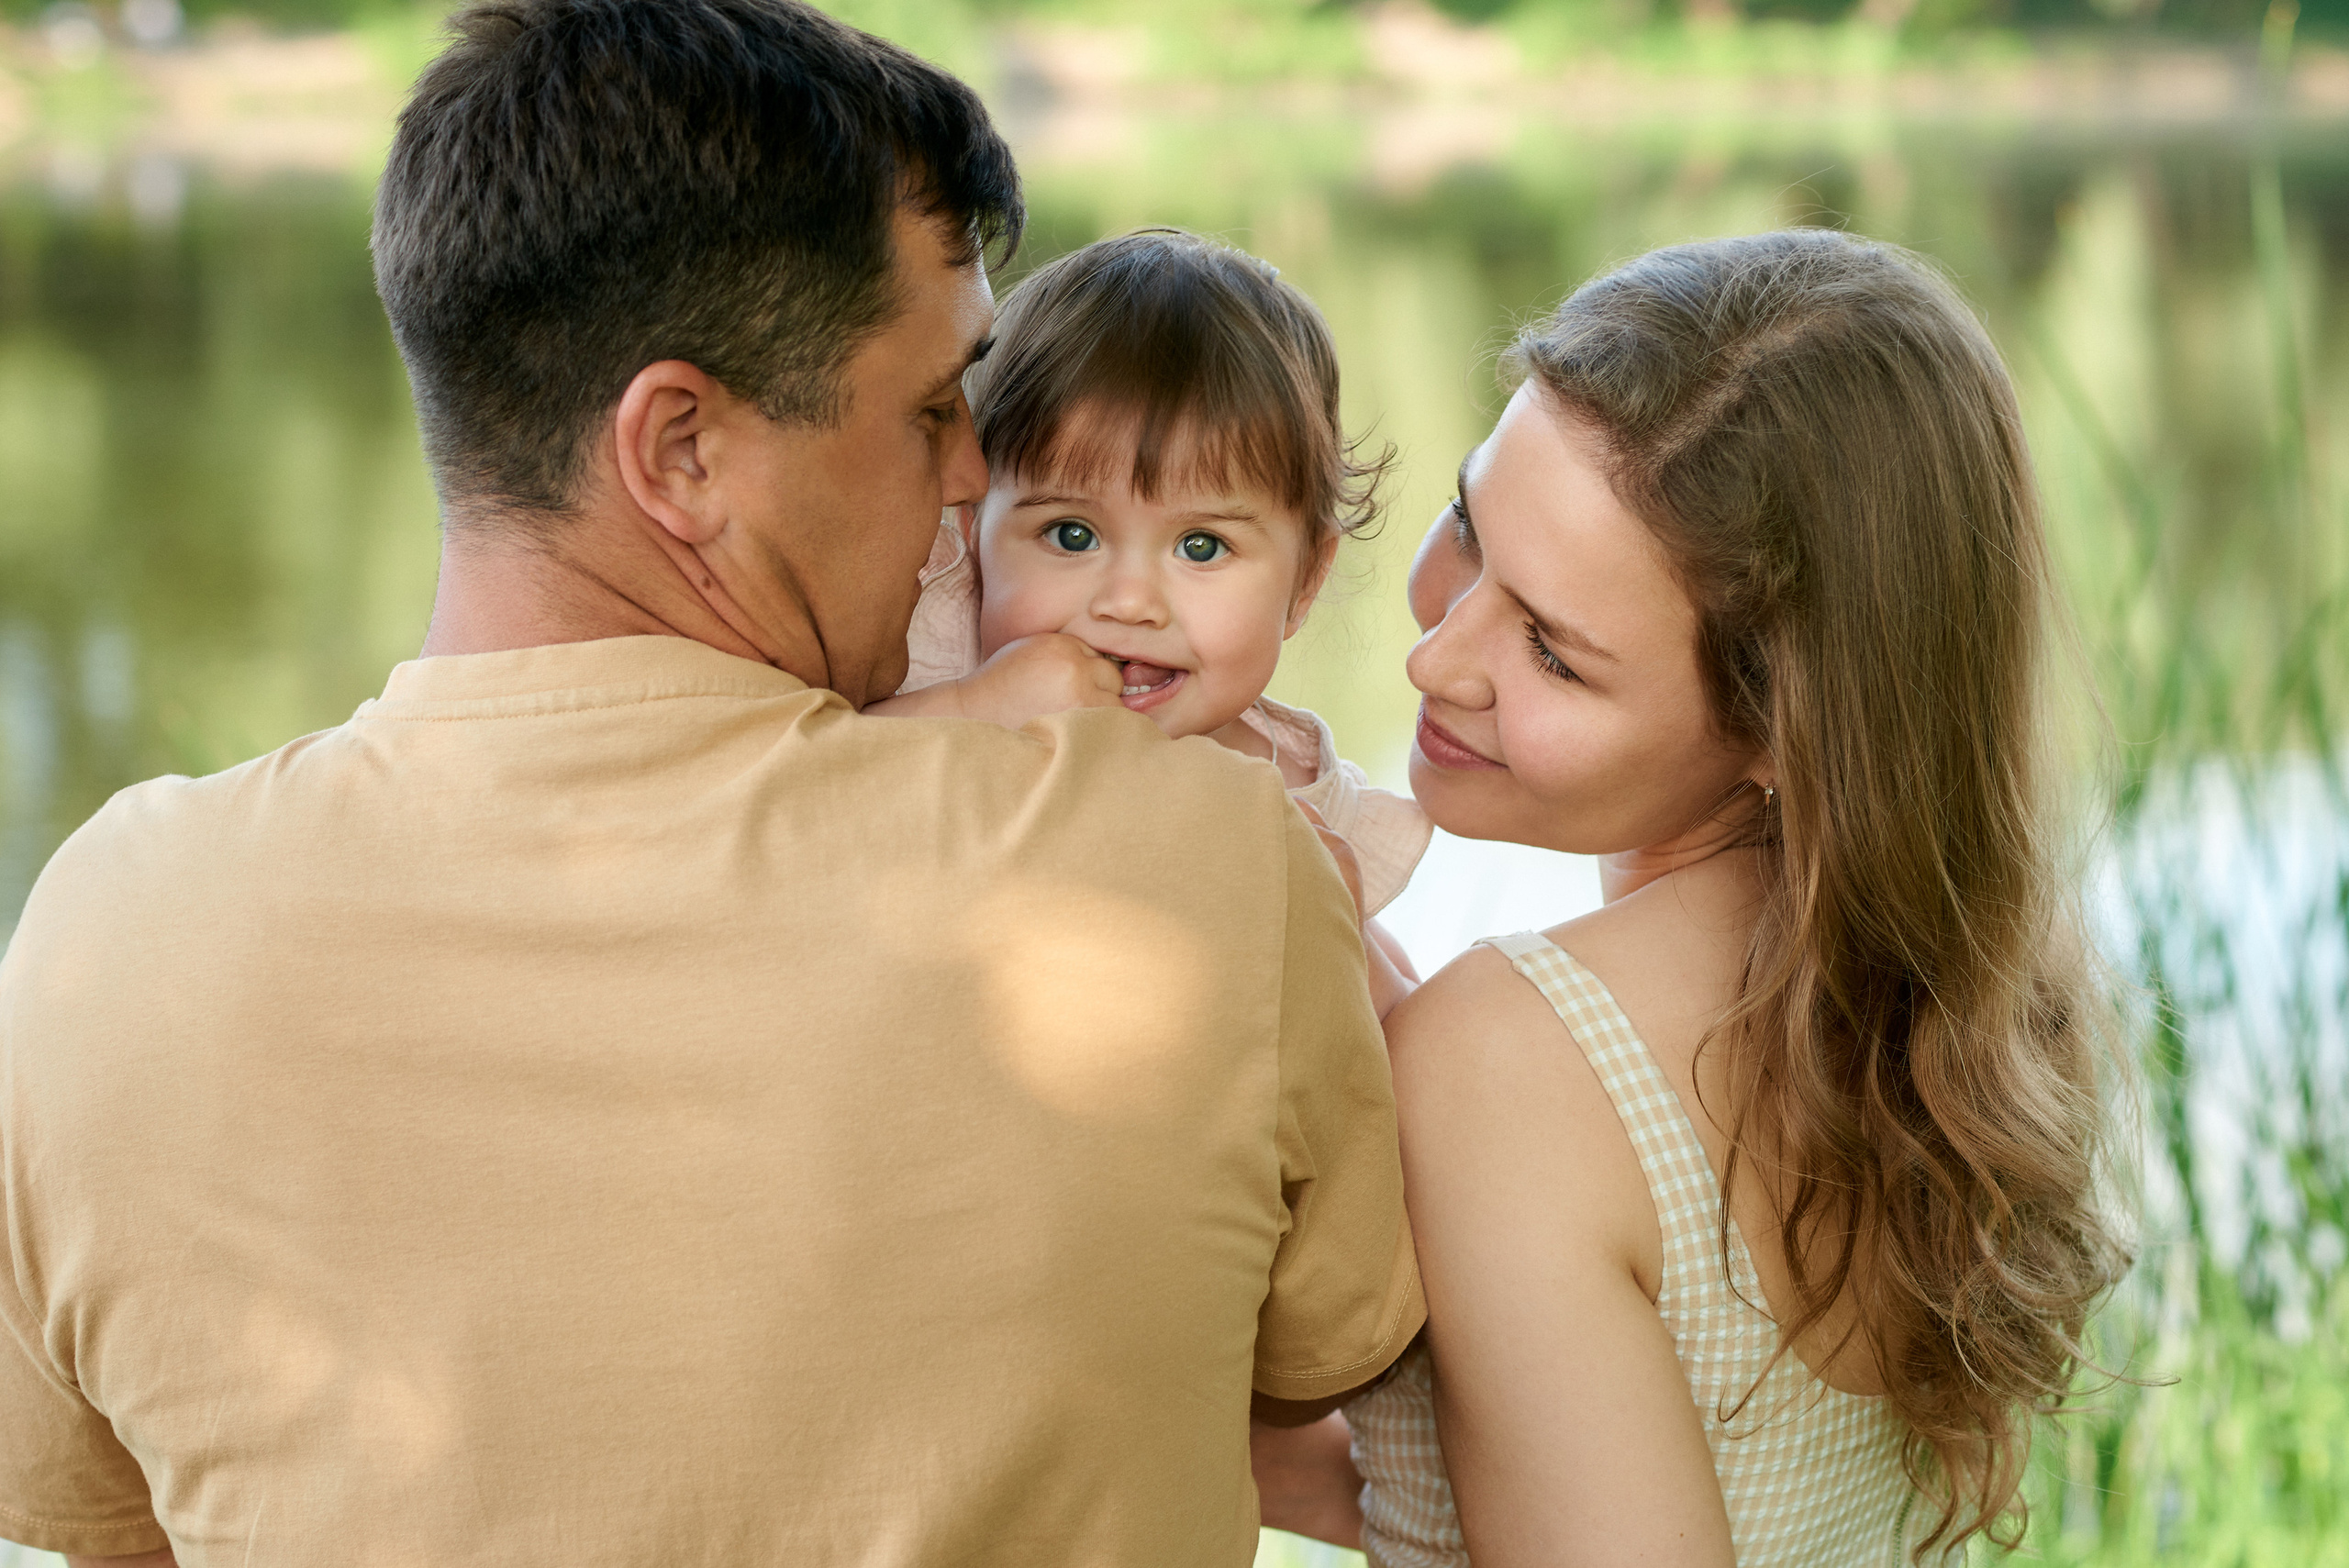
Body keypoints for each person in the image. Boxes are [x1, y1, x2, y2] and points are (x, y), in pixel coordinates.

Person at [0, 3, 1421, 1564]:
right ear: (679, 448)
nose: (972, 482)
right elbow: (1329, 1352)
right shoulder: (1199, 855)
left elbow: (107, 1523)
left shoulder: (110, 940)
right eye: (938, 410)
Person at [1280, 230, 2131, 1564]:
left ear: (1781, 733)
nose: (1437, 653)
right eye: (1466, 522)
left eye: (1554, 652)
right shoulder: (1931, 1004)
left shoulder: (1520, 1061)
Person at [871, 228, 1431, 972]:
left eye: (1201, 547)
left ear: (1304, 582)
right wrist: (975, 713)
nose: (1130, 602)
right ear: (974, 530)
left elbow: (1380, 1024)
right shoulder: (932, 654)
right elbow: (814, 783)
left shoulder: (1289, 800)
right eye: (1071, 534)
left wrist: (1334, 930)